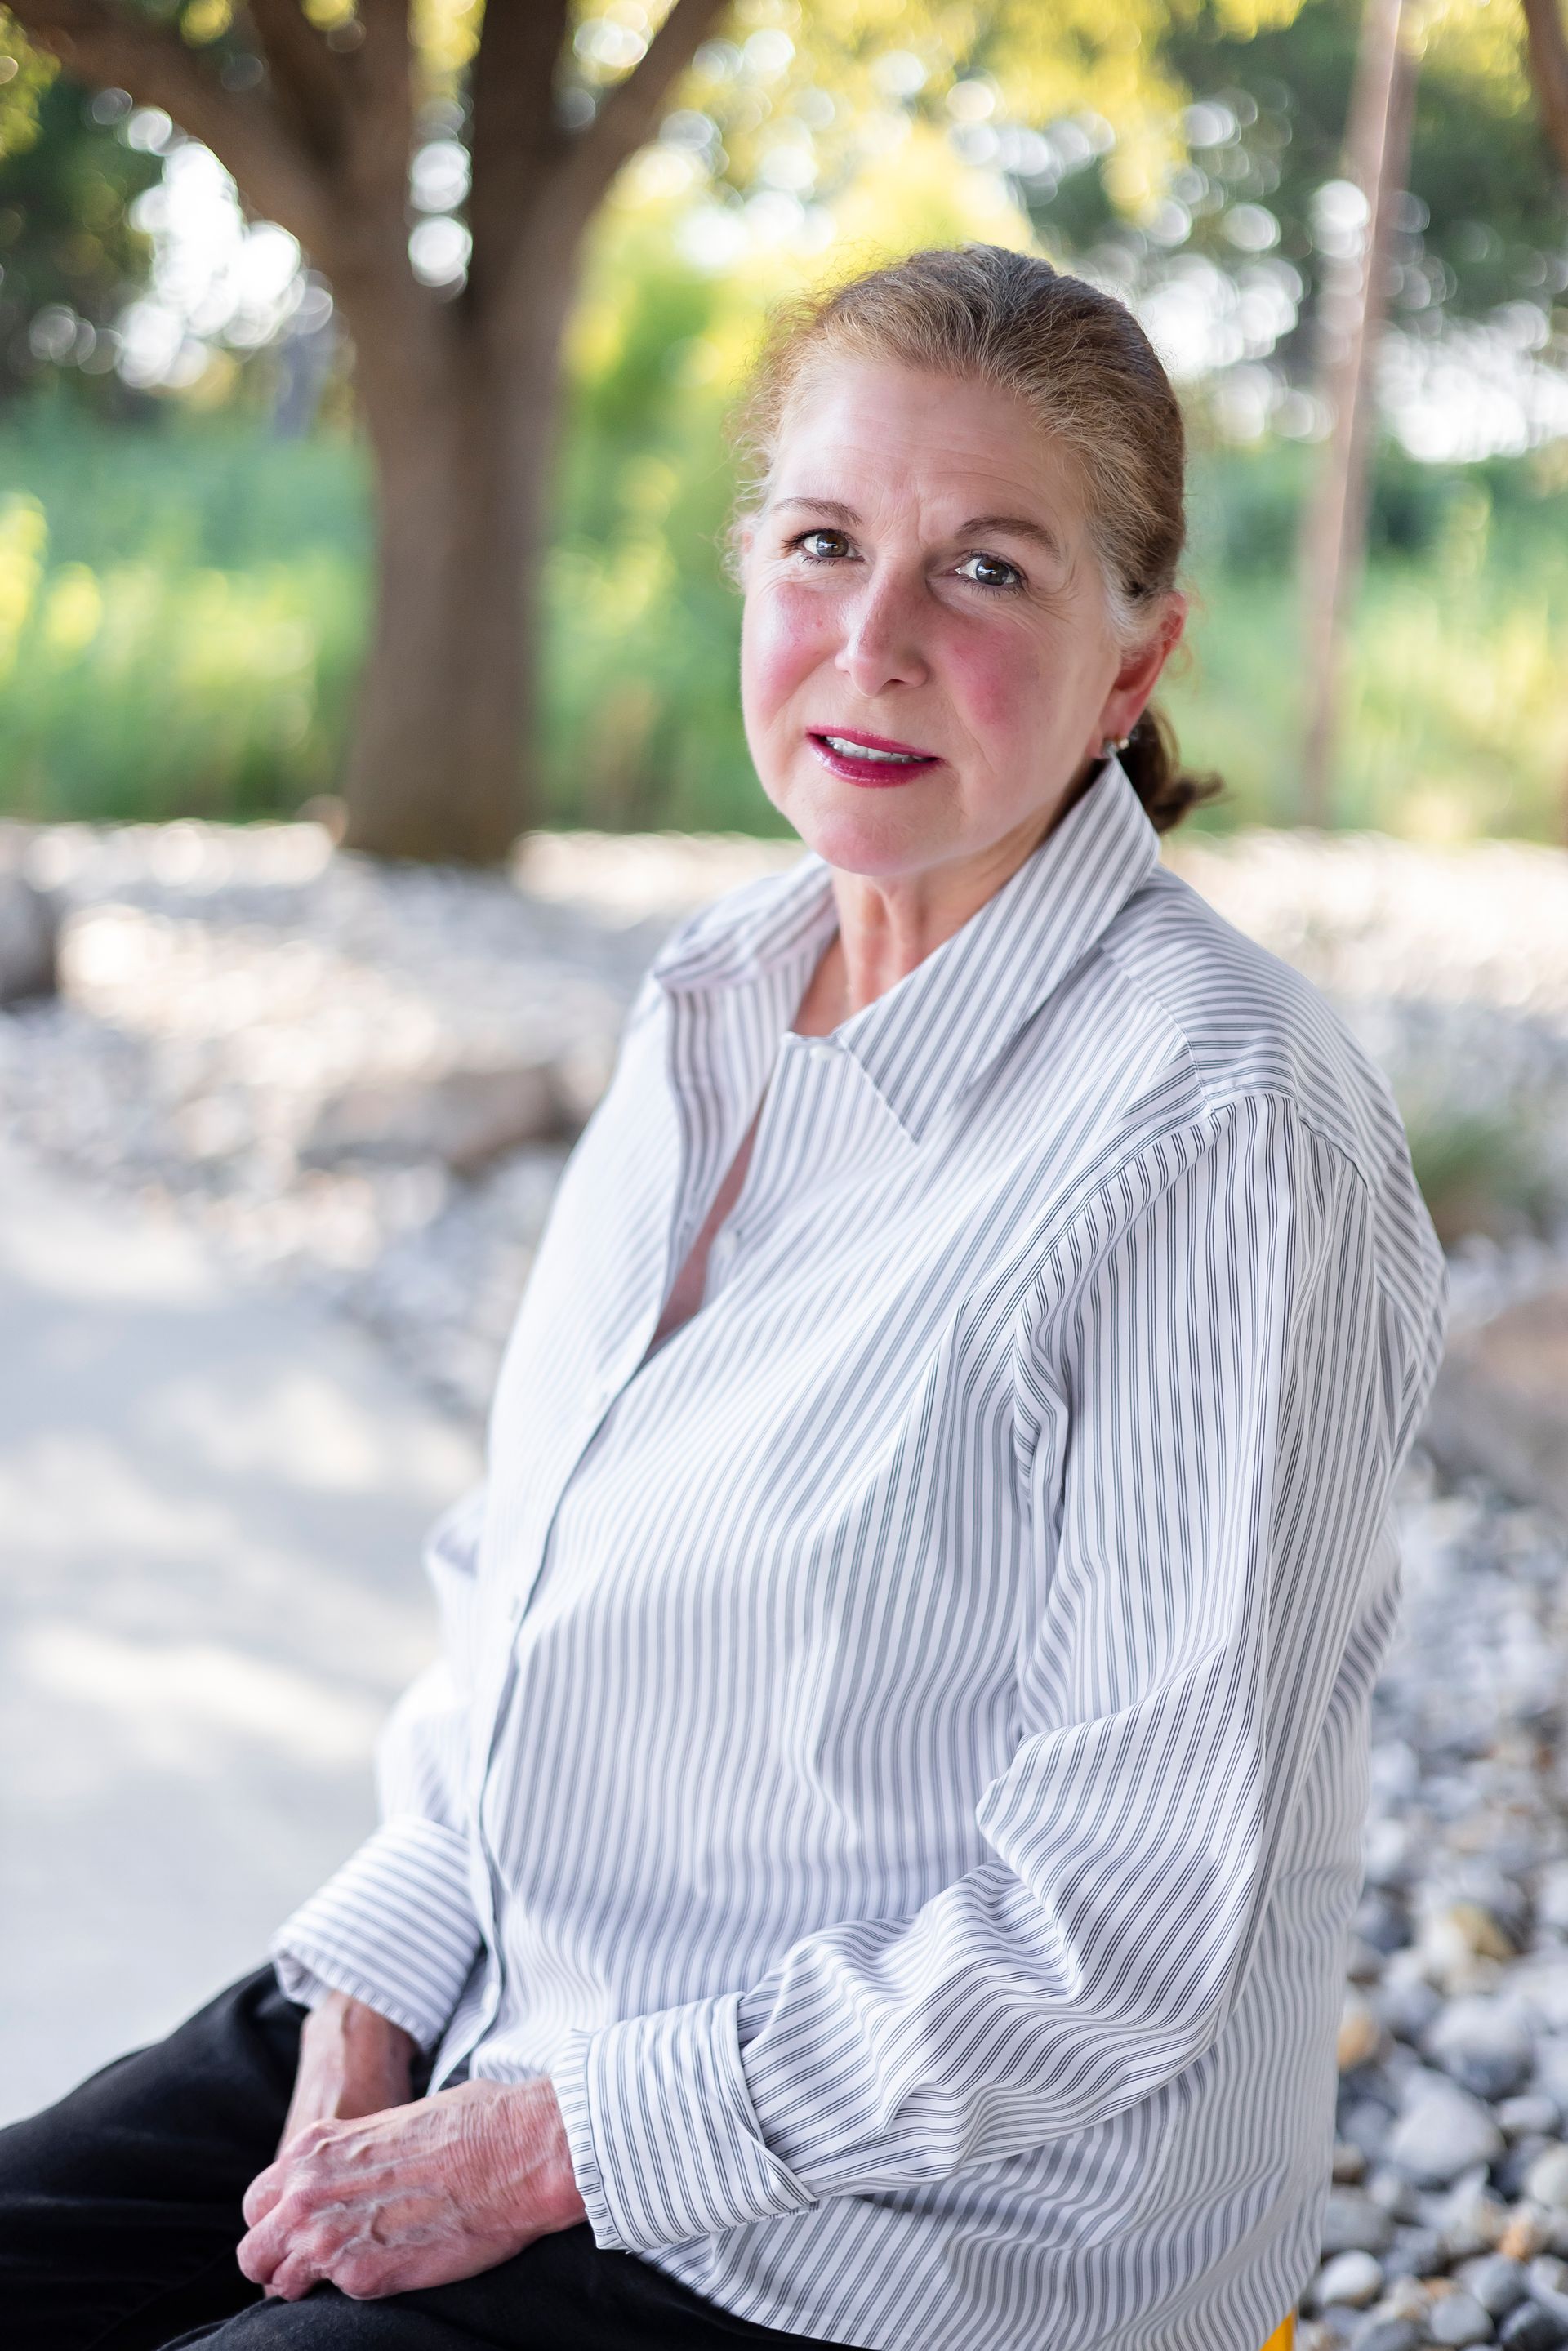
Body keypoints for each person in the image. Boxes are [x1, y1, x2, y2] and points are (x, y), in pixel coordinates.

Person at [1, 244, 1446, 2351]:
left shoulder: (1226, 1134)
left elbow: (1120, 1936)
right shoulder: (718, 997)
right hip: (508, 2008)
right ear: (750, 568)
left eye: (989, 574)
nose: (873, 642)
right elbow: (518, 1601)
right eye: (826, 544)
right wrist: (377, 1990)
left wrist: (558, 2142)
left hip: (883, 2228)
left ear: (1135, 664)